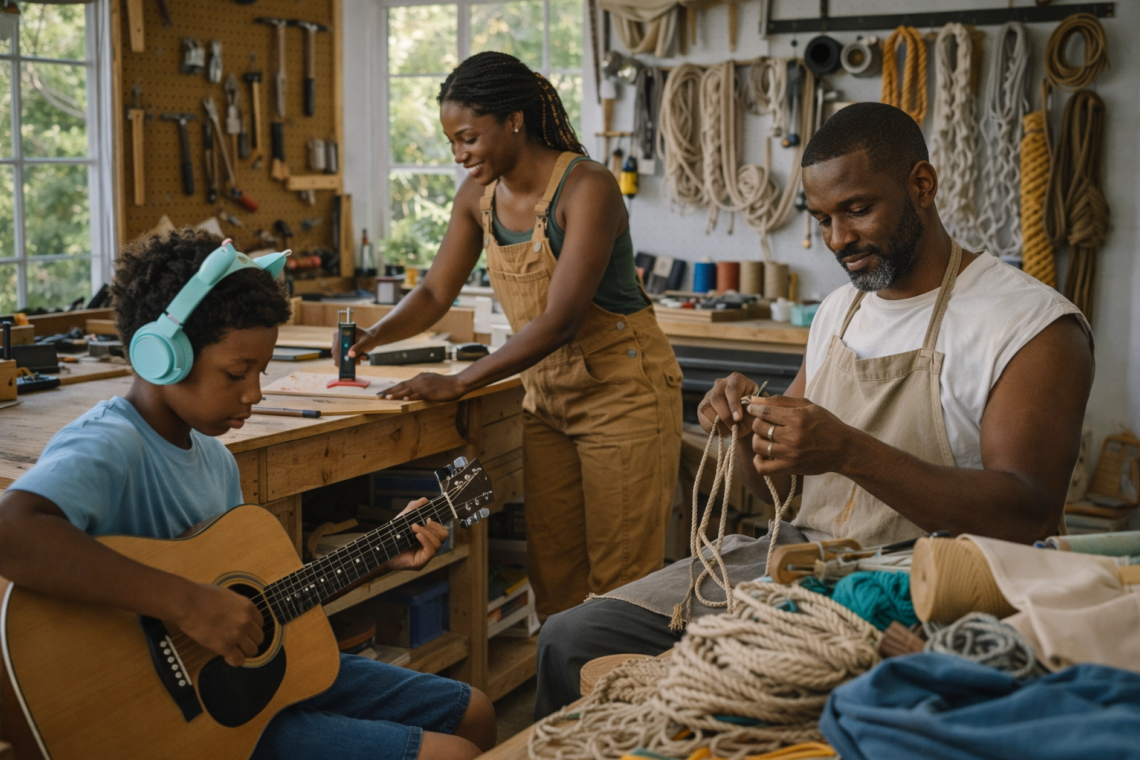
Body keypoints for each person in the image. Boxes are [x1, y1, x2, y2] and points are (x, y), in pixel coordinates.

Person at [534, 101, 1095, 719]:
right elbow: (775, 490)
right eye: (822, 218)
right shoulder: (839, 310)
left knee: (760, 704)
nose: (838, 241)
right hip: (803, 558)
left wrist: (849, 450)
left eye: (857, 210)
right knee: (570, 638)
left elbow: (1026, 516)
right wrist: (750, 430)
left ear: (922, 185)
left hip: (934, 583)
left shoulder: (1030, 326)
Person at [0, 229, 496, 760]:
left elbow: (257, 603)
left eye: (261, 370)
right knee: (454, 756)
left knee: (476, 712)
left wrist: (375, 558)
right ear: (160, 357)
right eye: (237, 372)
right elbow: (12, 531)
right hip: (174, 727)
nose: (255, 394)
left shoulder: (214, 458)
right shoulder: (109, 444)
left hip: (243, 684)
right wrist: (187, 605)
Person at [343, 52, 683, 618]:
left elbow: (561, 320)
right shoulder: (477, 198)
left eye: (469, 137)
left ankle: (620, 705)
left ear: (514, 120)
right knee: (553, 577)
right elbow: (432, 294)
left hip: (624, 395)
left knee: (621, 585)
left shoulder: (587, 188)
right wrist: (371, 336)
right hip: (547, 400)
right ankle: (565, 707)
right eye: (452, 142)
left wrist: (458, 382)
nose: (460, 155)